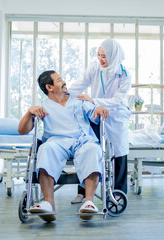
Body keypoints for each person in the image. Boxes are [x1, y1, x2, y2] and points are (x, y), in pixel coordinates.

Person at [18, 70, 109, 222]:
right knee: (45, 149)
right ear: (49, 87)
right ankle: (48, 204)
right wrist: (29, 112)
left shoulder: (79, 100)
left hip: (82, 141)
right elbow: (22, 130)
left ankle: (89, 202)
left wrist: (98, 107)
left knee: (93, 149)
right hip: (56, 142)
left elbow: (94, 111)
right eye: (59, 80)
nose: (64, 81)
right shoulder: (42, 106)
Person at [69, 38, 131, 203]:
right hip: (96, 112)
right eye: (98, 55)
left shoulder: (124, 73)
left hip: (116, 114)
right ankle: (82, 191)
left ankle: (119, 192)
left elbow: (117, 100)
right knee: (88, 148)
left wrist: (93, 100)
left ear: (114, 56)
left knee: (119, 151)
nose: (100, 59)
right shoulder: (94, 68)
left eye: (104, 56)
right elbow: (79, 85)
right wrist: (63, 95)